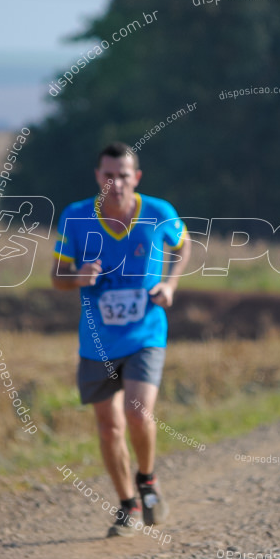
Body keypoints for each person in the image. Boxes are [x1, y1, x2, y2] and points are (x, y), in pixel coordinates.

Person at [52, 142, 190, 537]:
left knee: (136, 411)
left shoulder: (159, 213)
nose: (116, 184)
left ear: (137, 177)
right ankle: (127, 504)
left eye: (124, 175)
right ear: (98, 177)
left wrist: (170, 284)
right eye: (108, 176)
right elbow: (56, 277)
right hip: (96, 340)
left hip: (146, 331)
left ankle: (147, 478)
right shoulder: (76, 218)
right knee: (109, 427)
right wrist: (77, 276)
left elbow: (183, 248)